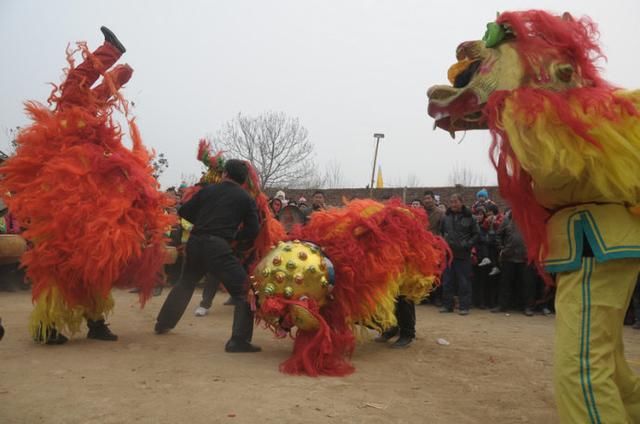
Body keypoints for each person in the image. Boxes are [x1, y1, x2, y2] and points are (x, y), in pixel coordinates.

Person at [155, 159, 261, 353]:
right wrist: (234, 237)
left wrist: (204, 222)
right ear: (244, 179)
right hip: (218, 245)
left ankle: (163, 323)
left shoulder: (208, 190)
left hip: (195, 242)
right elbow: (253, 229)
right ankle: (238, 340)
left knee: (186, 282)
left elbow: (185, 211)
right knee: (244, 291)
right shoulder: (246, 198)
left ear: (225, 174)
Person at [439, 193, 479, 315]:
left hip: (463, 255)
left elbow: (476, 234)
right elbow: (441, 233)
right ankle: (447, 305)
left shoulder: (470, 217)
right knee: (447, 281)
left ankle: (464, 306)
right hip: (448, 255)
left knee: (464, 282)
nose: (453, 204)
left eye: (456, 201)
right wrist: (443, 244)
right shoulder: (446, 217)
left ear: (461, 202)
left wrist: (467, 244)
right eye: (451, 202)